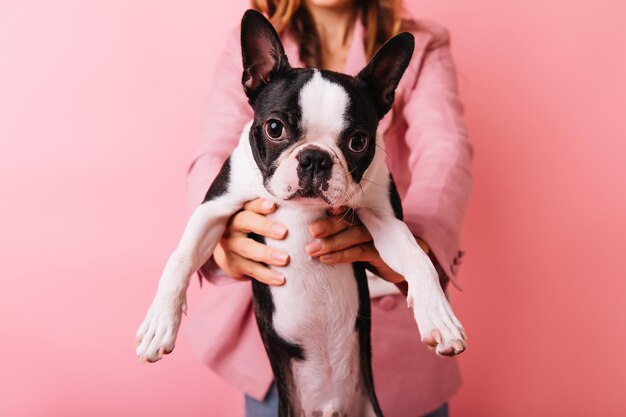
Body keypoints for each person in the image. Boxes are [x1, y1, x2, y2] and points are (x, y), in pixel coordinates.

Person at [183, 0, 473, 416]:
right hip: (277, 335)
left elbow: (446, 155)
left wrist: (417, 252)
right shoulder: (253, 45)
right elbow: (214, 150)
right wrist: (222, 238)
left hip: (391, 323)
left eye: (354, 140)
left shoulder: (424, 44)